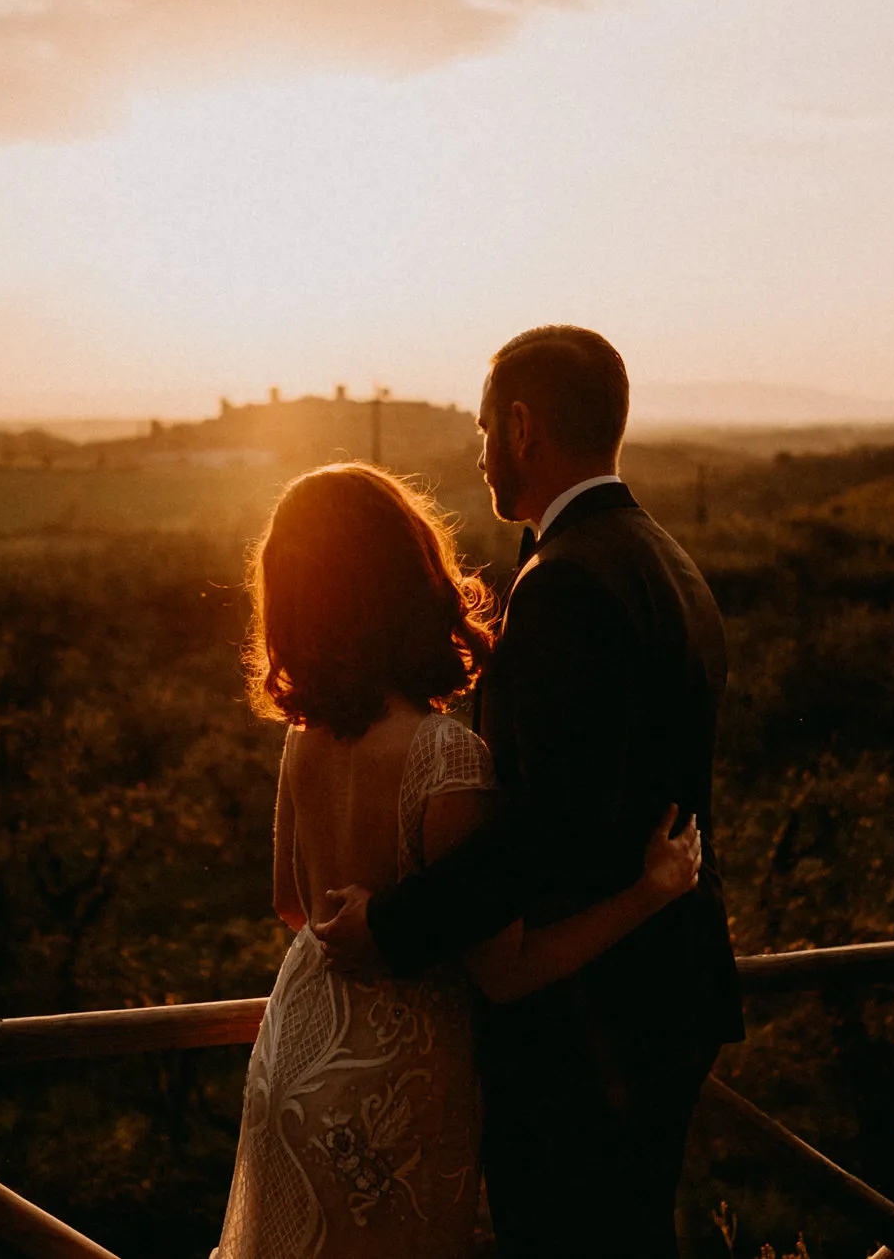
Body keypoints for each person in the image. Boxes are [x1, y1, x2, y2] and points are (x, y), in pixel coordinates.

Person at [314, 325, 745, 1258]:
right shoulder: (671, 563)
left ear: (520, 425)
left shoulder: (566, 585)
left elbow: (545, 826)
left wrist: (392, 927)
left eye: (480, 428)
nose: (476, 453)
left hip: (588, 1021)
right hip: (670, 984)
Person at [214, 461, 705, 1259]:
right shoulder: (446, 757)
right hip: (395, 1091)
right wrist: (651, 891)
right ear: (412, 575)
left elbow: (294, 907)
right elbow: (505, 970)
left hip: (294, 1058)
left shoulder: (302, 742)